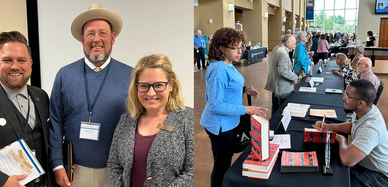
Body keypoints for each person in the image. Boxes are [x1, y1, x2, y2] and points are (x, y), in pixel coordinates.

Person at [49, 4, 133, 187]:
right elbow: (55, 121)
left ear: (112, 38)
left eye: (102, 33)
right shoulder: (64, 75)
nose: (96, 39)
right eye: (90, 34)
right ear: (82, 39)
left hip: (117, 171)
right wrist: (56, 164)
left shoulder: (132, 75)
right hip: (74, 172)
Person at [0, 31, 55, 187]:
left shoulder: (41, 97)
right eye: (7, 60)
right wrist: (2, 181)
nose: (15, 66)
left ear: (30, 63)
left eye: (21, 60)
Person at [107, 54, 194, 187]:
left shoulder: (188, 119)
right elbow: (114, 164)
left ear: (171, 85)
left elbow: (191, 172)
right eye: (144, 86)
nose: (151, 93)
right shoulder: (126, 120)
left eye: (159, 85)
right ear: (136, 87)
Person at [200, 27, 267, 187]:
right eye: (235, 48)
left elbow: (224, 89)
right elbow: (215, 104)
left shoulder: (226, 65)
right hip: (220, 125)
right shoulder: (219, 69)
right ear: (222, 48)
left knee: (225, 161)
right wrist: (247, 109)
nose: (240, 51)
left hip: (228, 122)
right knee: (222, 165)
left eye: (241, 47)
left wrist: (244, 90)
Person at [315, 79, 388, 187]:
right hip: (364, 162)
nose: (344, 98)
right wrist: (328, 126)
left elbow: (347, 160)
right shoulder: (364, 110)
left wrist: (342, 139)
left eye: (348, 96)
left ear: (360, 103)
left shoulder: (371, 128)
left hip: (378, 174)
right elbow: (352, 126)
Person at [265, 35, 299, 114]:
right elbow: (284, 72)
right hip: (282, 86)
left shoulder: (277, 48)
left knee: (275, 108)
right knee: (281, 110)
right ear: (287, 42)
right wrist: (295, 78)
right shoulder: (282, 53)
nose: (294, 46)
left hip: (276, 83)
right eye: (293, 44)